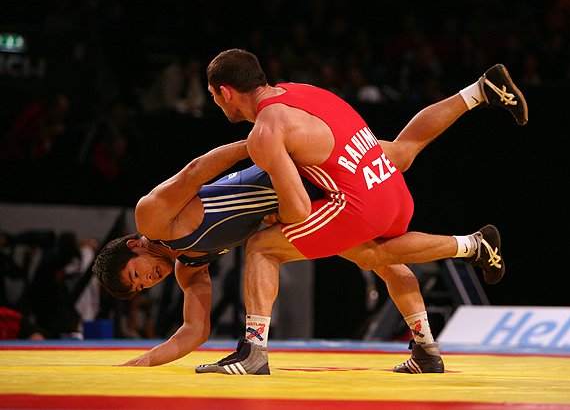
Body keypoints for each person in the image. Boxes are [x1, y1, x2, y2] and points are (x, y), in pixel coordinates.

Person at [92, 53, 527, 373]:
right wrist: (141, 364)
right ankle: (476, 92)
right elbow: (194, 331)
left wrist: (260, 150)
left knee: (268, 248)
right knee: (400, 161)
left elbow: (199, 171)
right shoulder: (297, 92)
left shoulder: (152, 218)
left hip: (340, 196)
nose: (148, 281)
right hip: (371, 173)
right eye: (142, 287)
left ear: (135, 245)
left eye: (138, 274)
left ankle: (254, 353)